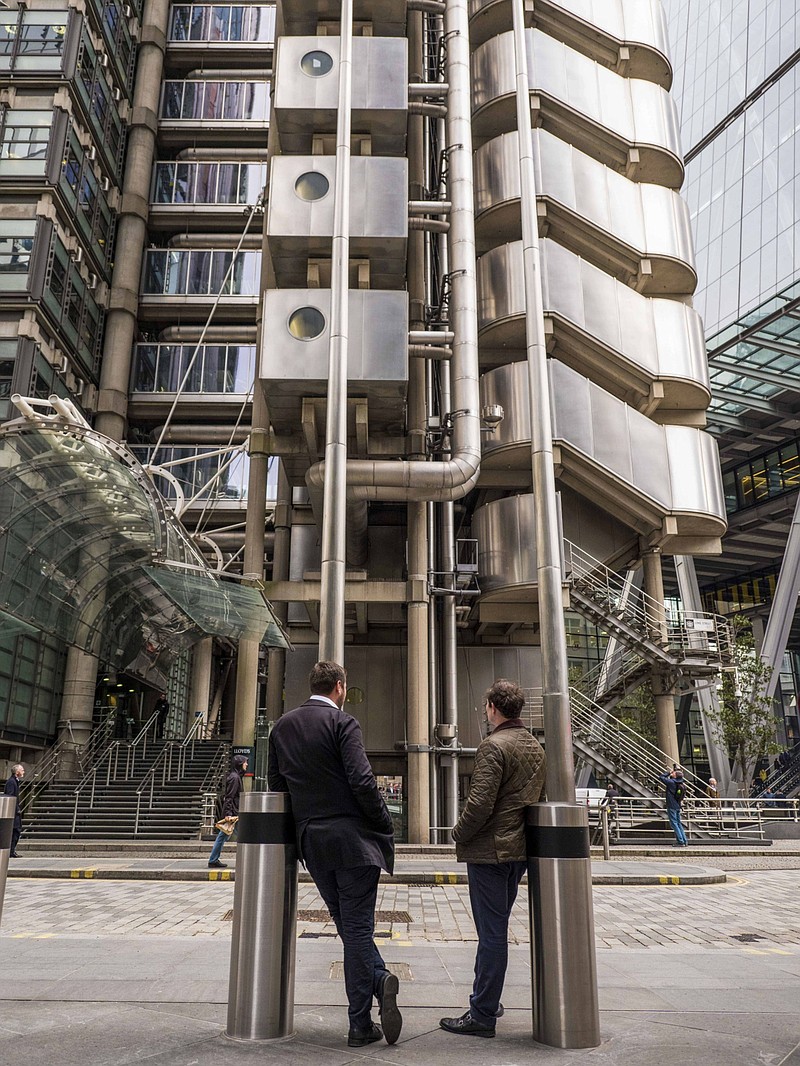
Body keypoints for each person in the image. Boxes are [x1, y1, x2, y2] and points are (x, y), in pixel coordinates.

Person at [267, 661, 401, 1049]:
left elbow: (278, 787)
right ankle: (359, 1023)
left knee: (347, 927)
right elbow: (362, 780)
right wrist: (383, 824)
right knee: (358, 929)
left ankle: (378, 980)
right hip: (354, 843)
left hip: (314, 844)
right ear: (339, 687)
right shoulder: (344, 724)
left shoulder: (283, 727)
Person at [439, 679, 546, 1039]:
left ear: (493, 708)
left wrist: (457, 833)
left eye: (486, 707)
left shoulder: (492, 746)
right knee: (495, 930)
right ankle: (488, 998)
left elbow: (480, 803)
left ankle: (482, 1013)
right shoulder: (534, 745)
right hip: (517, 851)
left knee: (491, 934)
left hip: (490, 852)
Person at [207, 754, 247, 869]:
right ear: (240, 764)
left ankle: (213, 859)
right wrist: (228, 814)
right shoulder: (235, 778)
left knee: (223, 836)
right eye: (245, 762)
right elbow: (229, 797)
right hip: (234, 812)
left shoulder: (236, 777)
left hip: (234, 811)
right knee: (244, 836)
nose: (247, 764)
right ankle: (246, 859)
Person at [659, 765, 688, 846]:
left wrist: (668, 773)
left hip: (671, 805)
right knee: (678, 823)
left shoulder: (671, 782)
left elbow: (661, 777)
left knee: (674, 823)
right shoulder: (682, 783)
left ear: (675, 775)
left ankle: (680, 841)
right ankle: (684, 840)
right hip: (678, 805)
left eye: (674, 773)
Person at [3, 763, 24, 857]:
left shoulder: (15, 781)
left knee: (16, 831)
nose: (23, 771)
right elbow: (11, 796)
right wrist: (16, 810)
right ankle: (11, 851)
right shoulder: (12, 782)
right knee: (15, 831)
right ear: (17, 772)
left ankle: (12, 851)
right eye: (22, 770)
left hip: (15, 811)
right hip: (13, 812)